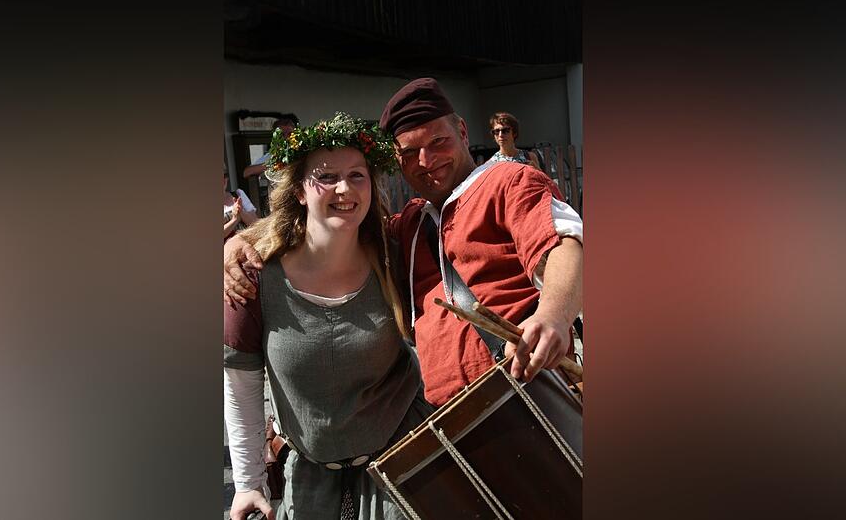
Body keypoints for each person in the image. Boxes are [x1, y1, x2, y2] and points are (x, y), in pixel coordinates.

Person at [225, 78, 583, 408]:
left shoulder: (510, 181)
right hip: (447, 418)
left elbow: (562, 247)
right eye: (410, 153)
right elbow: (331, 224)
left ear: (461, 131)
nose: (426, 162)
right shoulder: (409, 223)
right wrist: (241, 241)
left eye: (438, 142)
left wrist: (554, 315)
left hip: (529, 395)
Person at [223, 112, 433, 520]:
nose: (344, 188)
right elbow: (242, 384)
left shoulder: (393, 251)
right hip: (310, 475)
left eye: (357, 175)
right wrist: (248, 483)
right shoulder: (252, 275)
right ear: (300, 190)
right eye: (326, 176)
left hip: (403, 464)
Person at [224, 168, 258, 241]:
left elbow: (255, 223)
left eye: (224, 176)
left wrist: (241, 212)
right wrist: (235, 219)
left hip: (248, 244)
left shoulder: (238, 193)